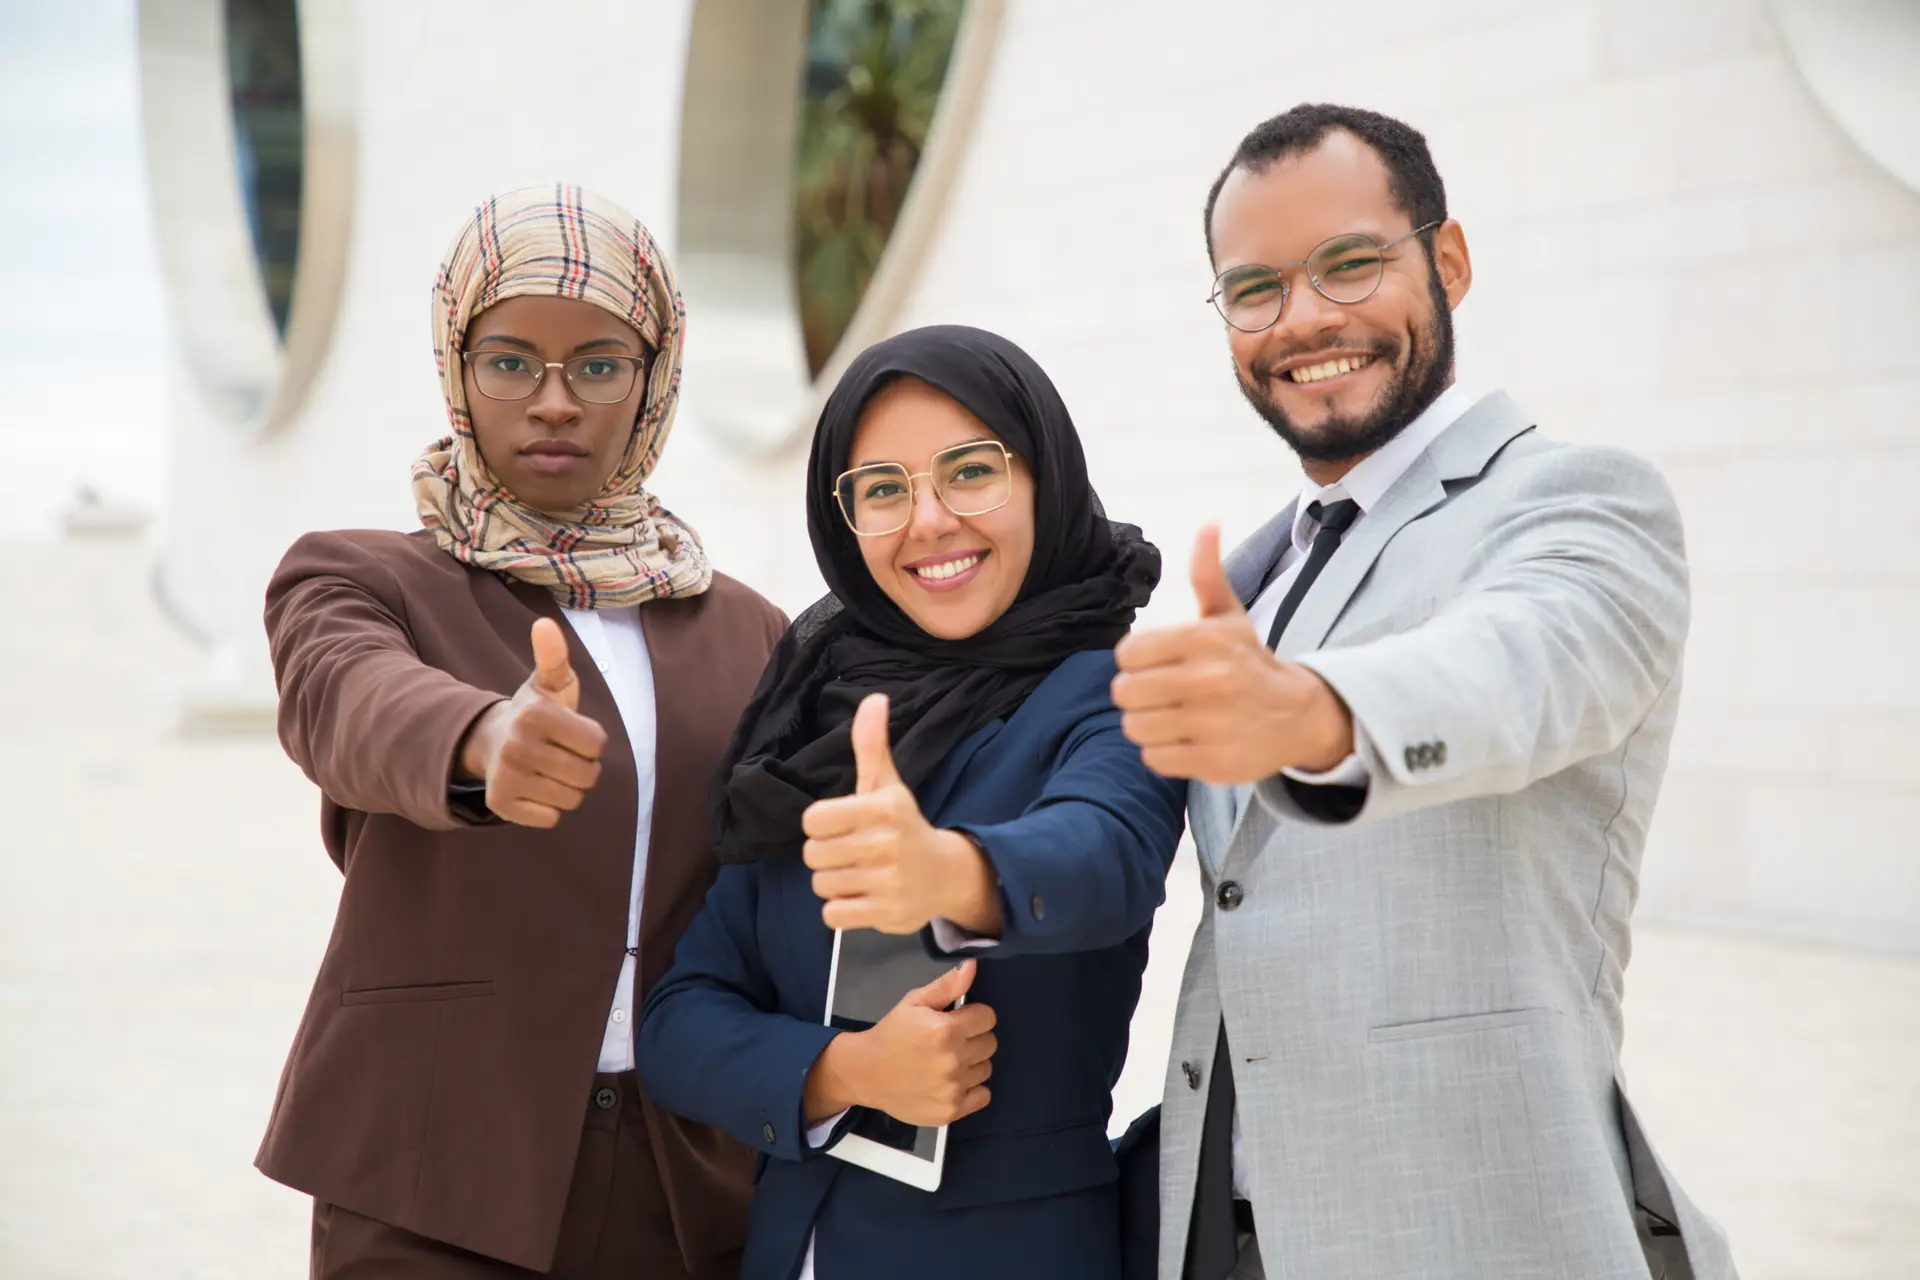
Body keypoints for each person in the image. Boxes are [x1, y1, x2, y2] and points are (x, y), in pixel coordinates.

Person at [1111, 105, 1739, 1279]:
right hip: (1219, 1232)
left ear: (1446, 260)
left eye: (1348, 264)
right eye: (1255, 289)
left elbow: (1525, 662)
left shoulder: (1579, 501)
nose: (1303, 318)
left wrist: (1319, 714)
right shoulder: (1258, 573)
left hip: (1465, 1228)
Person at [256, 184, 782, 1279]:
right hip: (431, 1170)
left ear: (654, 378)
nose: (554, 400)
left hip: (687, 1185)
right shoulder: (361, 576)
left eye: (599, 363)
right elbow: (343, 696)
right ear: (458, 365)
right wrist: (481, 739)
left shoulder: (750, 629)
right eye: (510, 361)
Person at [636, 325, 1186, 1280]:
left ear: (1044, 477)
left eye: (971, 472)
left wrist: (949, 872)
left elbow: (1107, 855)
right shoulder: (812, 717)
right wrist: (841, 1074)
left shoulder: (1113, 690)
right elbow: (681, 1020)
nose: (928, 520)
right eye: (883, 490)